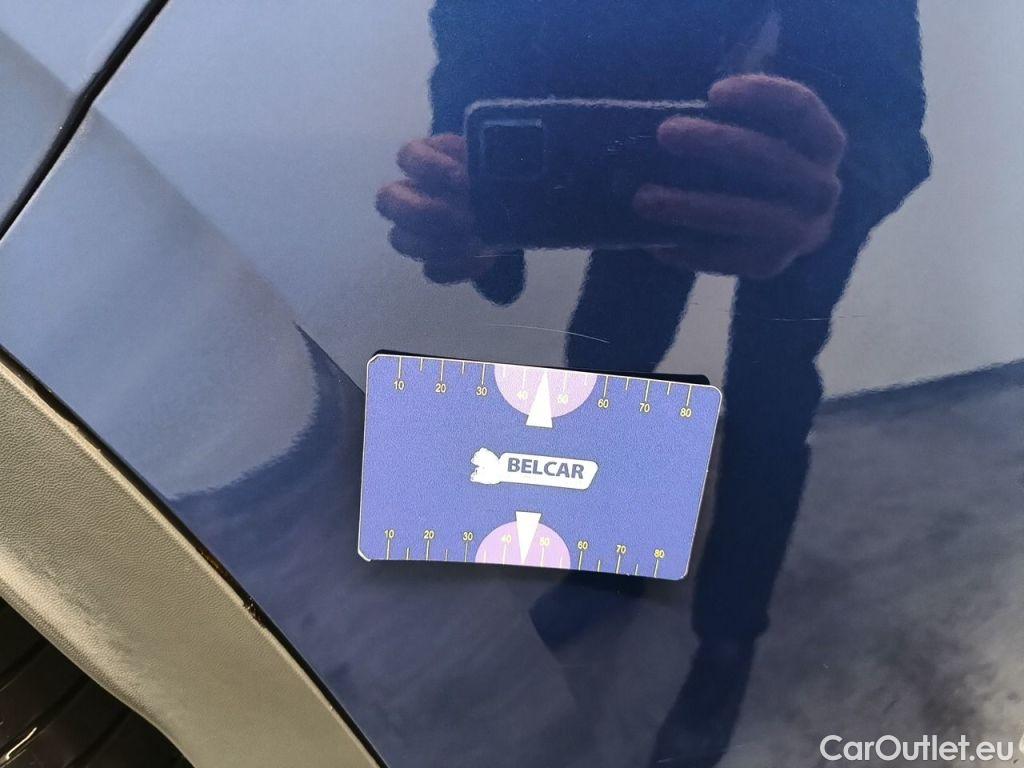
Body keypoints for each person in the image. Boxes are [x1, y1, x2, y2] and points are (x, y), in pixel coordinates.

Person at [376, 2, 930, 764]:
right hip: (640, 158)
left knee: (768, 405)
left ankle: (727, 641)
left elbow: (896, 122)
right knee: (606, 361)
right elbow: (478, 33)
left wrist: (840, 193)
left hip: (793, 171)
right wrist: (468, 190)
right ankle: (607, 574)